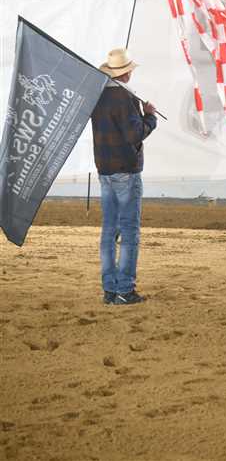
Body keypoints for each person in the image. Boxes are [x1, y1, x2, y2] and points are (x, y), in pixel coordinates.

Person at [91, 48, 157, 306]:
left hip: (105, 169)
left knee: (109, 230)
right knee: (129, 232)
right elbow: (134, 134)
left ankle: (110, 290)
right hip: (126, 171)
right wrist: (149, 117)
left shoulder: (98, 95)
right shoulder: (125, 97)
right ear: (126, 73)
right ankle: (125, 290)